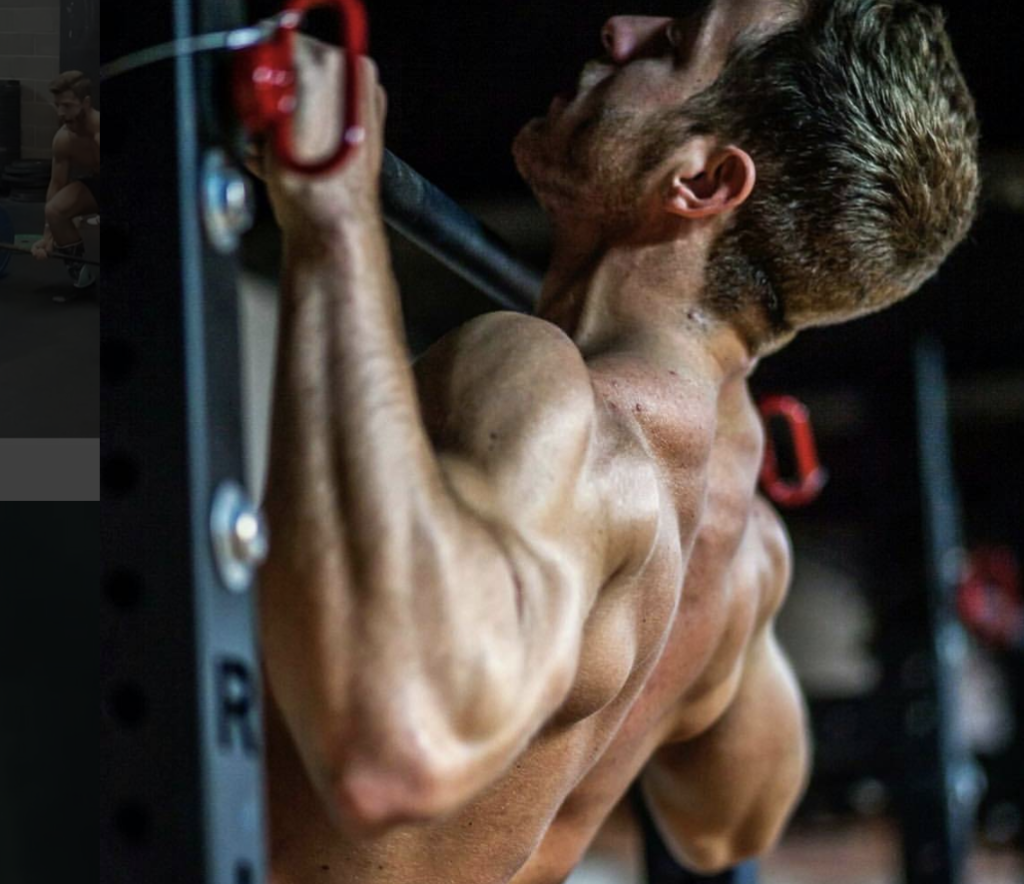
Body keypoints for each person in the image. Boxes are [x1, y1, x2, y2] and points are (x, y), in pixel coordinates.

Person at [247, 0, 979, 881]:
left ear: (701, 184)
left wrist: (332, 209)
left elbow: (393, 751)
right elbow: (729, 822)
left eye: (672, 45)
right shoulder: (737, 546)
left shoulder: (547, 392)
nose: (618, 30)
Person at [31, 70, 101, 295]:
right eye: (58, 105)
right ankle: (82, 275)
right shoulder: (63, 140)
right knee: (54, 210)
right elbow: (57, 184)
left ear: (86, 102)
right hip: (96, 184)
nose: (61, 113)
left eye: (68, 106)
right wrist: (48, 235)